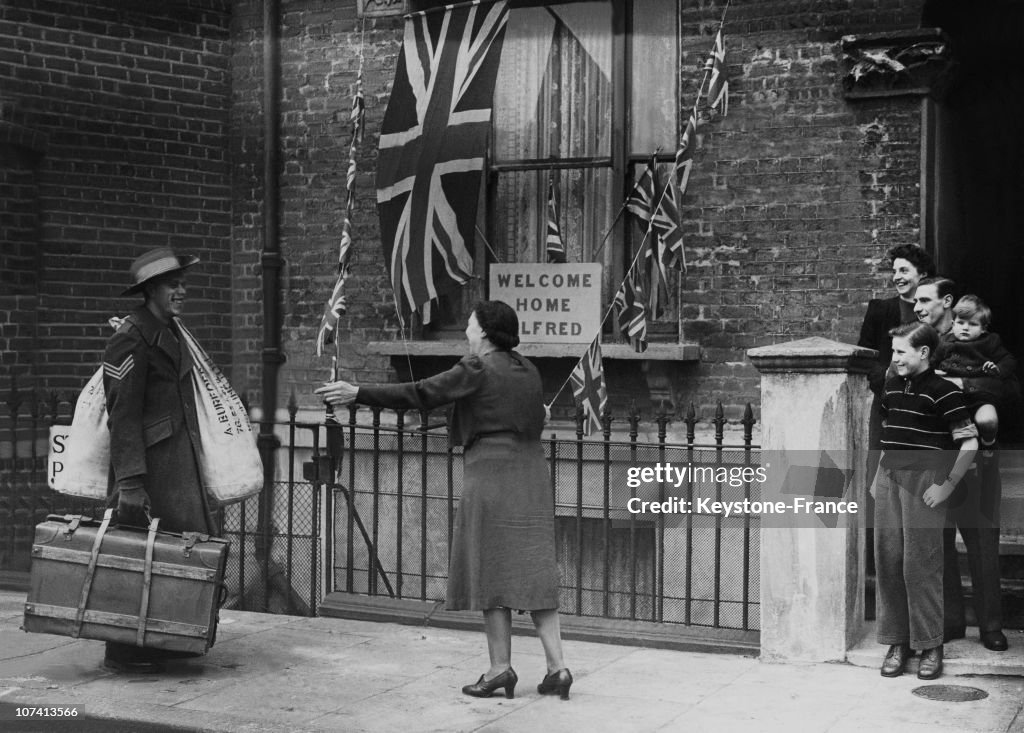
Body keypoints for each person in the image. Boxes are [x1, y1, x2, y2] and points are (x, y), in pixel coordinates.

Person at [317, 301, 572, 700]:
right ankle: (558, 669)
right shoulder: (528, 369)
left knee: (489, 569)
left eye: (469, 326)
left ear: (485, 332)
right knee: (533, 569)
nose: (467, 334)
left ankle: (500, 668)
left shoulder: (476, 367)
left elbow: (421, 393)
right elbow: (520, 415)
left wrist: (358, 393)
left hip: (491, 472)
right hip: (532, 472)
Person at [102, 247, 218, 671]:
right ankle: (126, 646)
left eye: (182, 283)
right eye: (173, 284)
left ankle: (167, 641)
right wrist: (130, 483)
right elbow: (123, 414)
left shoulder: (169, 329)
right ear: (151, 290)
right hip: (149, 470)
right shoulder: (131, 336)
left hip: (177, 464)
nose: (181, 291)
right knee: (138, 558)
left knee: (175, 555)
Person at [873, 322, 978, 680]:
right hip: (889, 479)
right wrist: (878, 479)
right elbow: (890, 434)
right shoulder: (891, 387)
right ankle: (898, 642)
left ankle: (931, 644)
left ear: (923, 353)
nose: (894, 358)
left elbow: (969, 443)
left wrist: (947, 486)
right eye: (893, 351)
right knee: (889, 562)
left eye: (901, 351)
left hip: (925, 483)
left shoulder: (945, 391)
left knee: (921, 565)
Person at [914, 277, 1009, 652]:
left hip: (979, 466)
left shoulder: (984, 342)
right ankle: (951, 621)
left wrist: (957, 383)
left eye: (925, 300)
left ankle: (991, 627)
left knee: (983, 544)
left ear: (946, 304)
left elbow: (1007, 388)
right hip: (936, 459)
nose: (918, 306)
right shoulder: (922, 344)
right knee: (938, 544)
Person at [934, 294, 1019, 457]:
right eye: (960, 322)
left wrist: (997, 368)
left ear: (983, 328)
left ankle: (988, 445)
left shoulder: (990, 341)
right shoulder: (943, 342)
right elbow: (930, 362)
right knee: (949, 429)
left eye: (972, 324)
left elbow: (1009, 360)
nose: (965, 327)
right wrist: (933, 372)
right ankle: (965, 460)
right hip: (952, 398)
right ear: (953, 324)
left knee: (988, 421)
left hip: (980, 395)